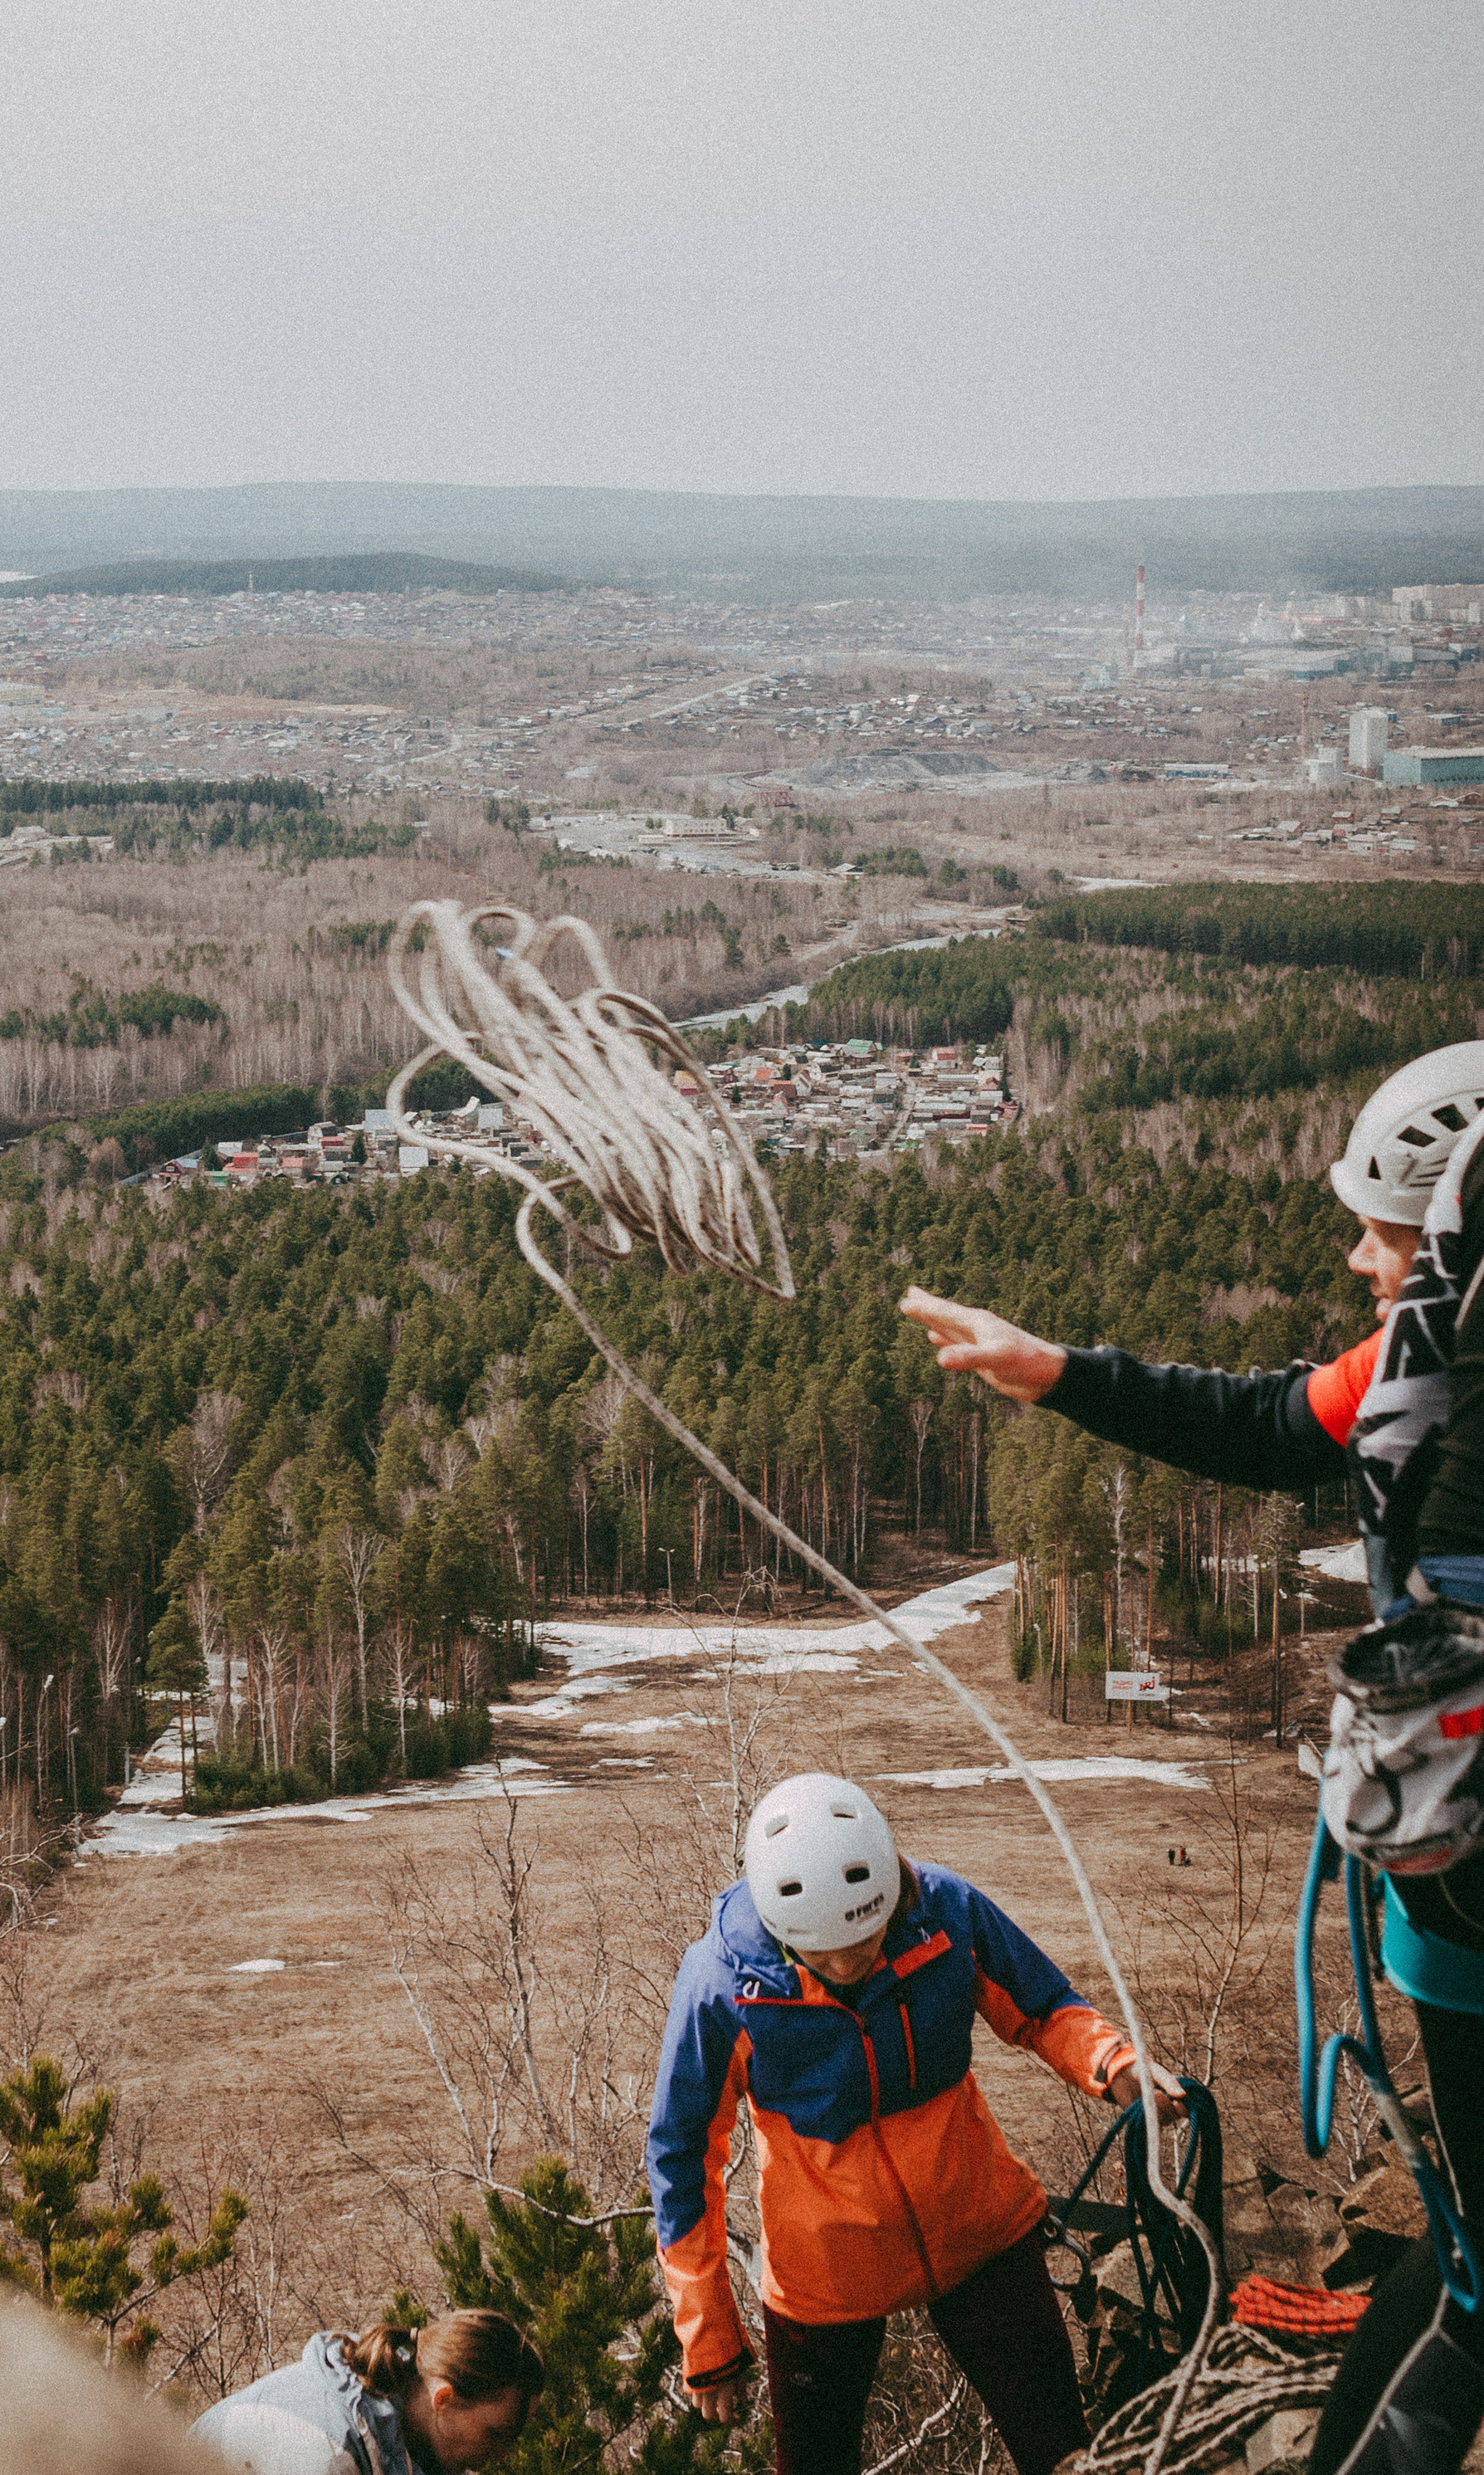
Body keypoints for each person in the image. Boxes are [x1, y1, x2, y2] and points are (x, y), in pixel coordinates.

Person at [901, 1040, 1484, 2475]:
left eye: (1385, 1232)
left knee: (1477, 2268)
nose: (1360, 1259)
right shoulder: (1425, 1360)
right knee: (1474, 2247)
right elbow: (1275, 1422)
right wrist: (1058, 1376)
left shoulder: (1439, 1374)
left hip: (1455, 1880)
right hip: (1452, 1889)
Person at [647, 1770, 1185, 2475]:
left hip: (976, 2225)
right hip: (824, 2273)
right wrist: (709, 2335)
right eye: (824, 1953)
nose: (849, 1964)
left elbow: (1045, 2004)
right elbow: (684, 2157)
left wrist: (1114, 2063)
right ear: (779, 1931)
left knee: (1065, 2453)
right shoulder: (724, 1986)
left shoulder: (946, 1911)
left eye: (865, 1940)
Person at [193, 2312, 545, 2475]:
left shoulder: (406, 2440)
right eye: (497, 2434)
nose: (502, 2456)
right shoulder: (326, 2454)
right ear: (444, 2400)